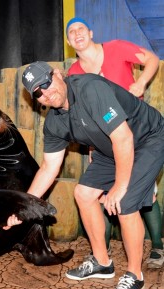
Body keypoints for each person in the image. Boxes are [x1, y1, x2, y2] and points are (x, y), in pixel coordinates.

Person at [19, 61, 164, 289]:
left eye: (45, 83)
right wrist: (23, 207)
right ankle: (102, 262)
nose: (45, 92)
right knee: (83, 194)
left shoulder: (90, 89)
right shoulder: (54, 123)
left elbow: (124, 138)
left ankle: (135, 275)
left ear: (57, 75)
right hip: (112, 149)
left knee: (125, 201)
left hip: (148, 139)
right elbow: (48, 168)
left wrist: (119, 186)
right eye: (37, 92)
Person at [66, 17, 163, 269]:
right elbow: (84, 116)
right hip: (106, 142)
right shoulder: (73, 74)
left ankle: (157, 247)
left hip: (139, 133)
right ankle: (102, 253)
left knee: (143, 193)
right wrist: (90, 147)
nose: (76, 34)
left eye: (80, 29)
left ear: (90, 32)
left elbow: (151, 59)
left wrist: (141, 82)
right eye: (70, 32)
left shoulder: (116, 48)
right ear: (68, 41)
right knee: (97, 194)